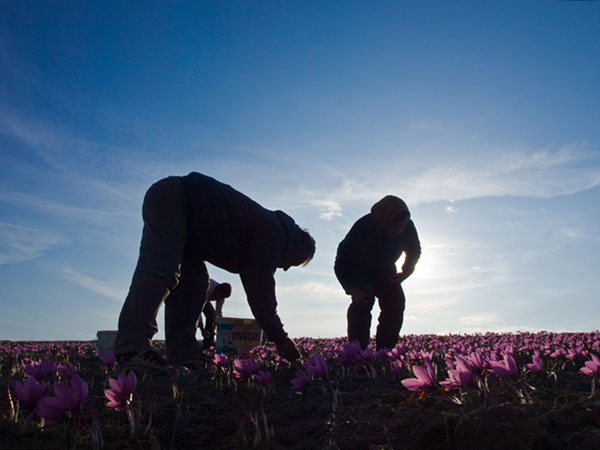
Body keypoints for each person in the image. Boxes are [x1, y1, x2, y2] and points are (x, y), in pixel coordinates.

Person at [114, 172, 316, 374]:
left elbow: (255, 288)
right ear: (296, 247)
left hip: (191, 235)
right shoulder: (273, 234)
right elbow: (260, 291)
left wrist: (275, 334)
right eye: (294, 262)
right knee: (161, 268)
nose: (286, 268)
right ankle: (132, 349)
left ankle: (184, 357)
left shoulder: (271, 231)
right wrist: (280, 338)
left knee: (195, 284)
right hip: (177, 199)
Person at [334, 195, 420, 350]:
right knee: (362, 304)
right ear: (383, 221)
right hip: (359, 268)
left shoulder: (407, 227)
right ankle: (358, 352)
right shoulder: (362, 229)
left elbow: (414, 251)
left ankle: (385, 350)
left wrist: (406, 271)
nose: (399, 231)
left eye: (402, 226)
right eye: (394, 226)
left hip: (385, 268)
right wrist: (353, 289)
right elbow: (341, 263)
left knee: (396, 302)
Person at [198, 279, 231, 350]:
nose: (218, 299)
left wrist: (221, 327)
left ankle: (208, 343)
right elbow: (197, 308)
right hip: (195, 295)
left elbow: (218, 313)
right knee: (192, 318)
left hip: (205, 300)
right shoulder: (208, 288)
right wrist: (201, 328)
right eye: (219, 296)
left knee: (212, 314)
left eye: (222, 297)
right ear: (217, 290)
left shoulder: (221, 298)